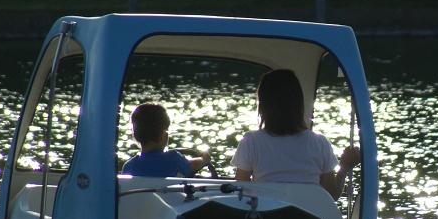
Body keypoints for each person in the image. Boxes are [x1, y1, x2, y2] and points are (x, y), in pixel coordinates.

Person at [232, 69, 360, 201]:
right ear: (298, 102)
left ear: (263, 105)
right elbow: (331, 195)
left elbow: (241, 191)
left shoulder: (251, 141)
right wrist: (344, 166)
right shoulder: (319, 143)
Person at [121, 103, 211, 177]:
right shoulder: (174, 159)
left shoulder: (129, 166)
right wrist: (204, 158)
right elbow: (194, 165)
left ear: (136, 136)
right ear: (162, 135)